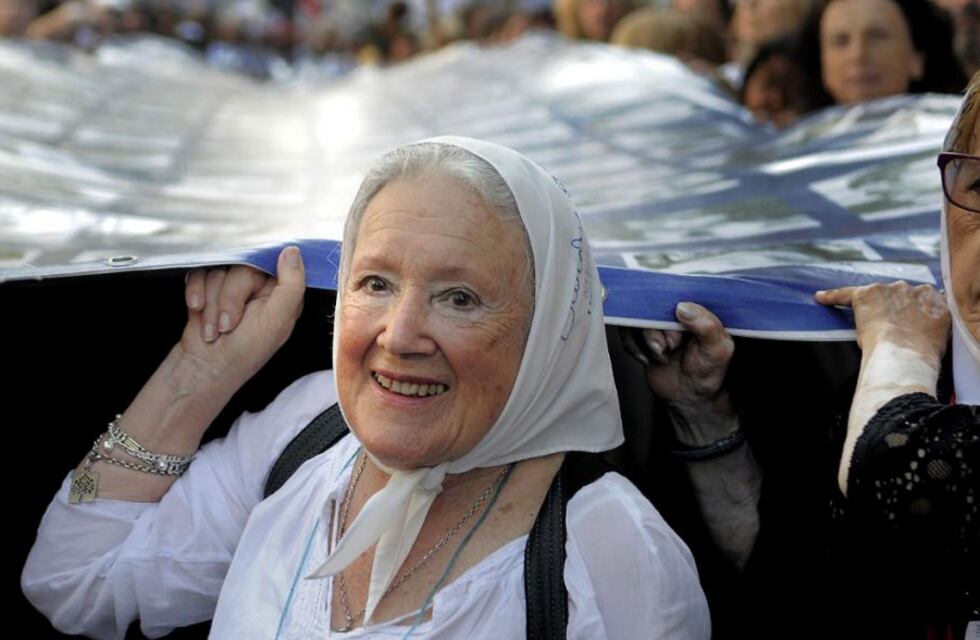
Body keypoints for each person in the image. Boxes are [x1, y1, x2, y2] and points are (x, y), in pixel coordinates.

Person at [21, 137, 710, 639]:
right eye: (376, 283)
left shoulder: (610, 548)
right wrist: (200, 371)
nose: (401, 333)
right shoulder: (308, 427)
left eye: (460, 297)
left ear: (549, 328)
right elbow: (73, 579)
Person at [625, 71, 980, 638]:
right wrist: (700, 414)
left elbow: (891, 471)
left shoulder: (896, 382)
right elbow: (789, 586)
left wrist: (899, 346)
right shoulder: (891, 388)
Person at [798, 0, 967, 106]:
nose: (858, 55)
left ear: (916, 59)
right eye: (841, 41)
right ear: (822, 63)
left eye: (877, 36)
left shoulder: (964, 140)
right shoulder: (790, 151)